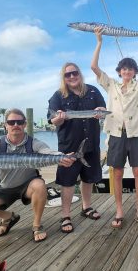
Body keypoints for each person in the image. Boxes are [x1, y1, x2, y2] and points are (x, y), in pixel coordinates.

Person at [0, 108, 75, 242]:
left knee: (39, 185)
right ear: (5, 125)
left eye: (19, 122)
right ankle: (8, 217)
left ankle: (37, 225)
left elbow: (48, 152)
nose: (15, 125)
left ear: (24, 124)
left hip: (28, 186)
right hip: (4, 187)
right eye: (11, 122)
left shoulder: (34, 143)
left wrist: (62, 157)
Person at [91, 27, 138, 228]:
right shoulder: (112, 86)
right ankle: (119, 210)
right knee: (116, 173)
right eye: (124, 69)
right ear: (119, 71)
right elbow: (94, 67)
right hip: (116, 134)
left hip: (135, 134)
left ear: (134, 72)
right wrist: (99, 41)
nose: (127, 71)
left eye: (130, 68)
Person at [48, 62, 106, 233]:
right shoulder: (58, 96)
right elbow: (52, 120)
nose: (72, 77)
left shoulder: (93, 91)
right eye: (68, 75)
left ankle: (86, 207)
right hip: (69, 146)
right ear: (64, 78)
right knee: (67, 181)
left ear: (79, 74)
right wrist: (59, 118)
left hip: (91, 144)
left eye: (74, 73)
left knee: (88, 178)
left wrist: (101, 111)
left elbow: (103, 110)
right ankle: (65, 216)